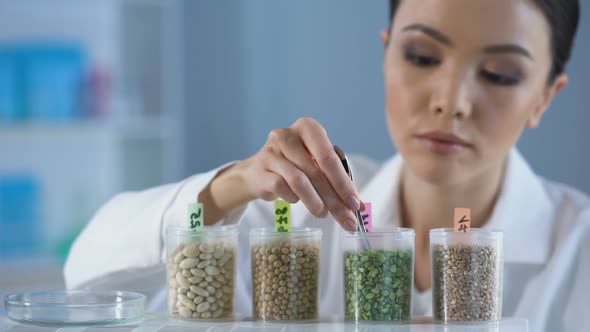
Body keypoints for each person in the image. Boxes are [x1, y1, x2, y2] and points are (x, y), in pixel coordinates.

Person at [64, 0, 588, 330]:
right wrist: (230, 187)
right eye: (423, 57)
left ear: (545, 96)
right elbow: (84, 277)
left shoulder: (579, 249)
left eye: (499, 73)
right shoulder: (296, 211)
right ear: (386, 56)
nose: (452, 100)